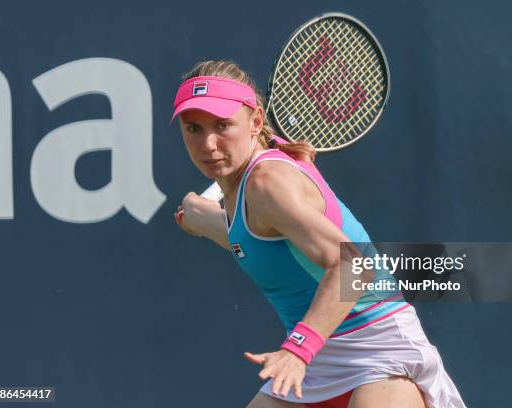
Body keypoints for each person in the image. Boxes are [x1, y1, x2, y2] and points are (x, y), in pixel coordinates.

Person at [172, 60, 466, 408]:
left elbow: (353, 267)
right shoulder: (245, 187)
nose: (208, 144)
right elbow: (256, 241)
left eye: (222, 125)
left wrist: (298, 350)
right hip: (320, 358)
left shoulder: (267, 183)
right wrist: (203, 219)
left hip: (378, 348)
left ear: (255, 122)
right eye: (194, 128)